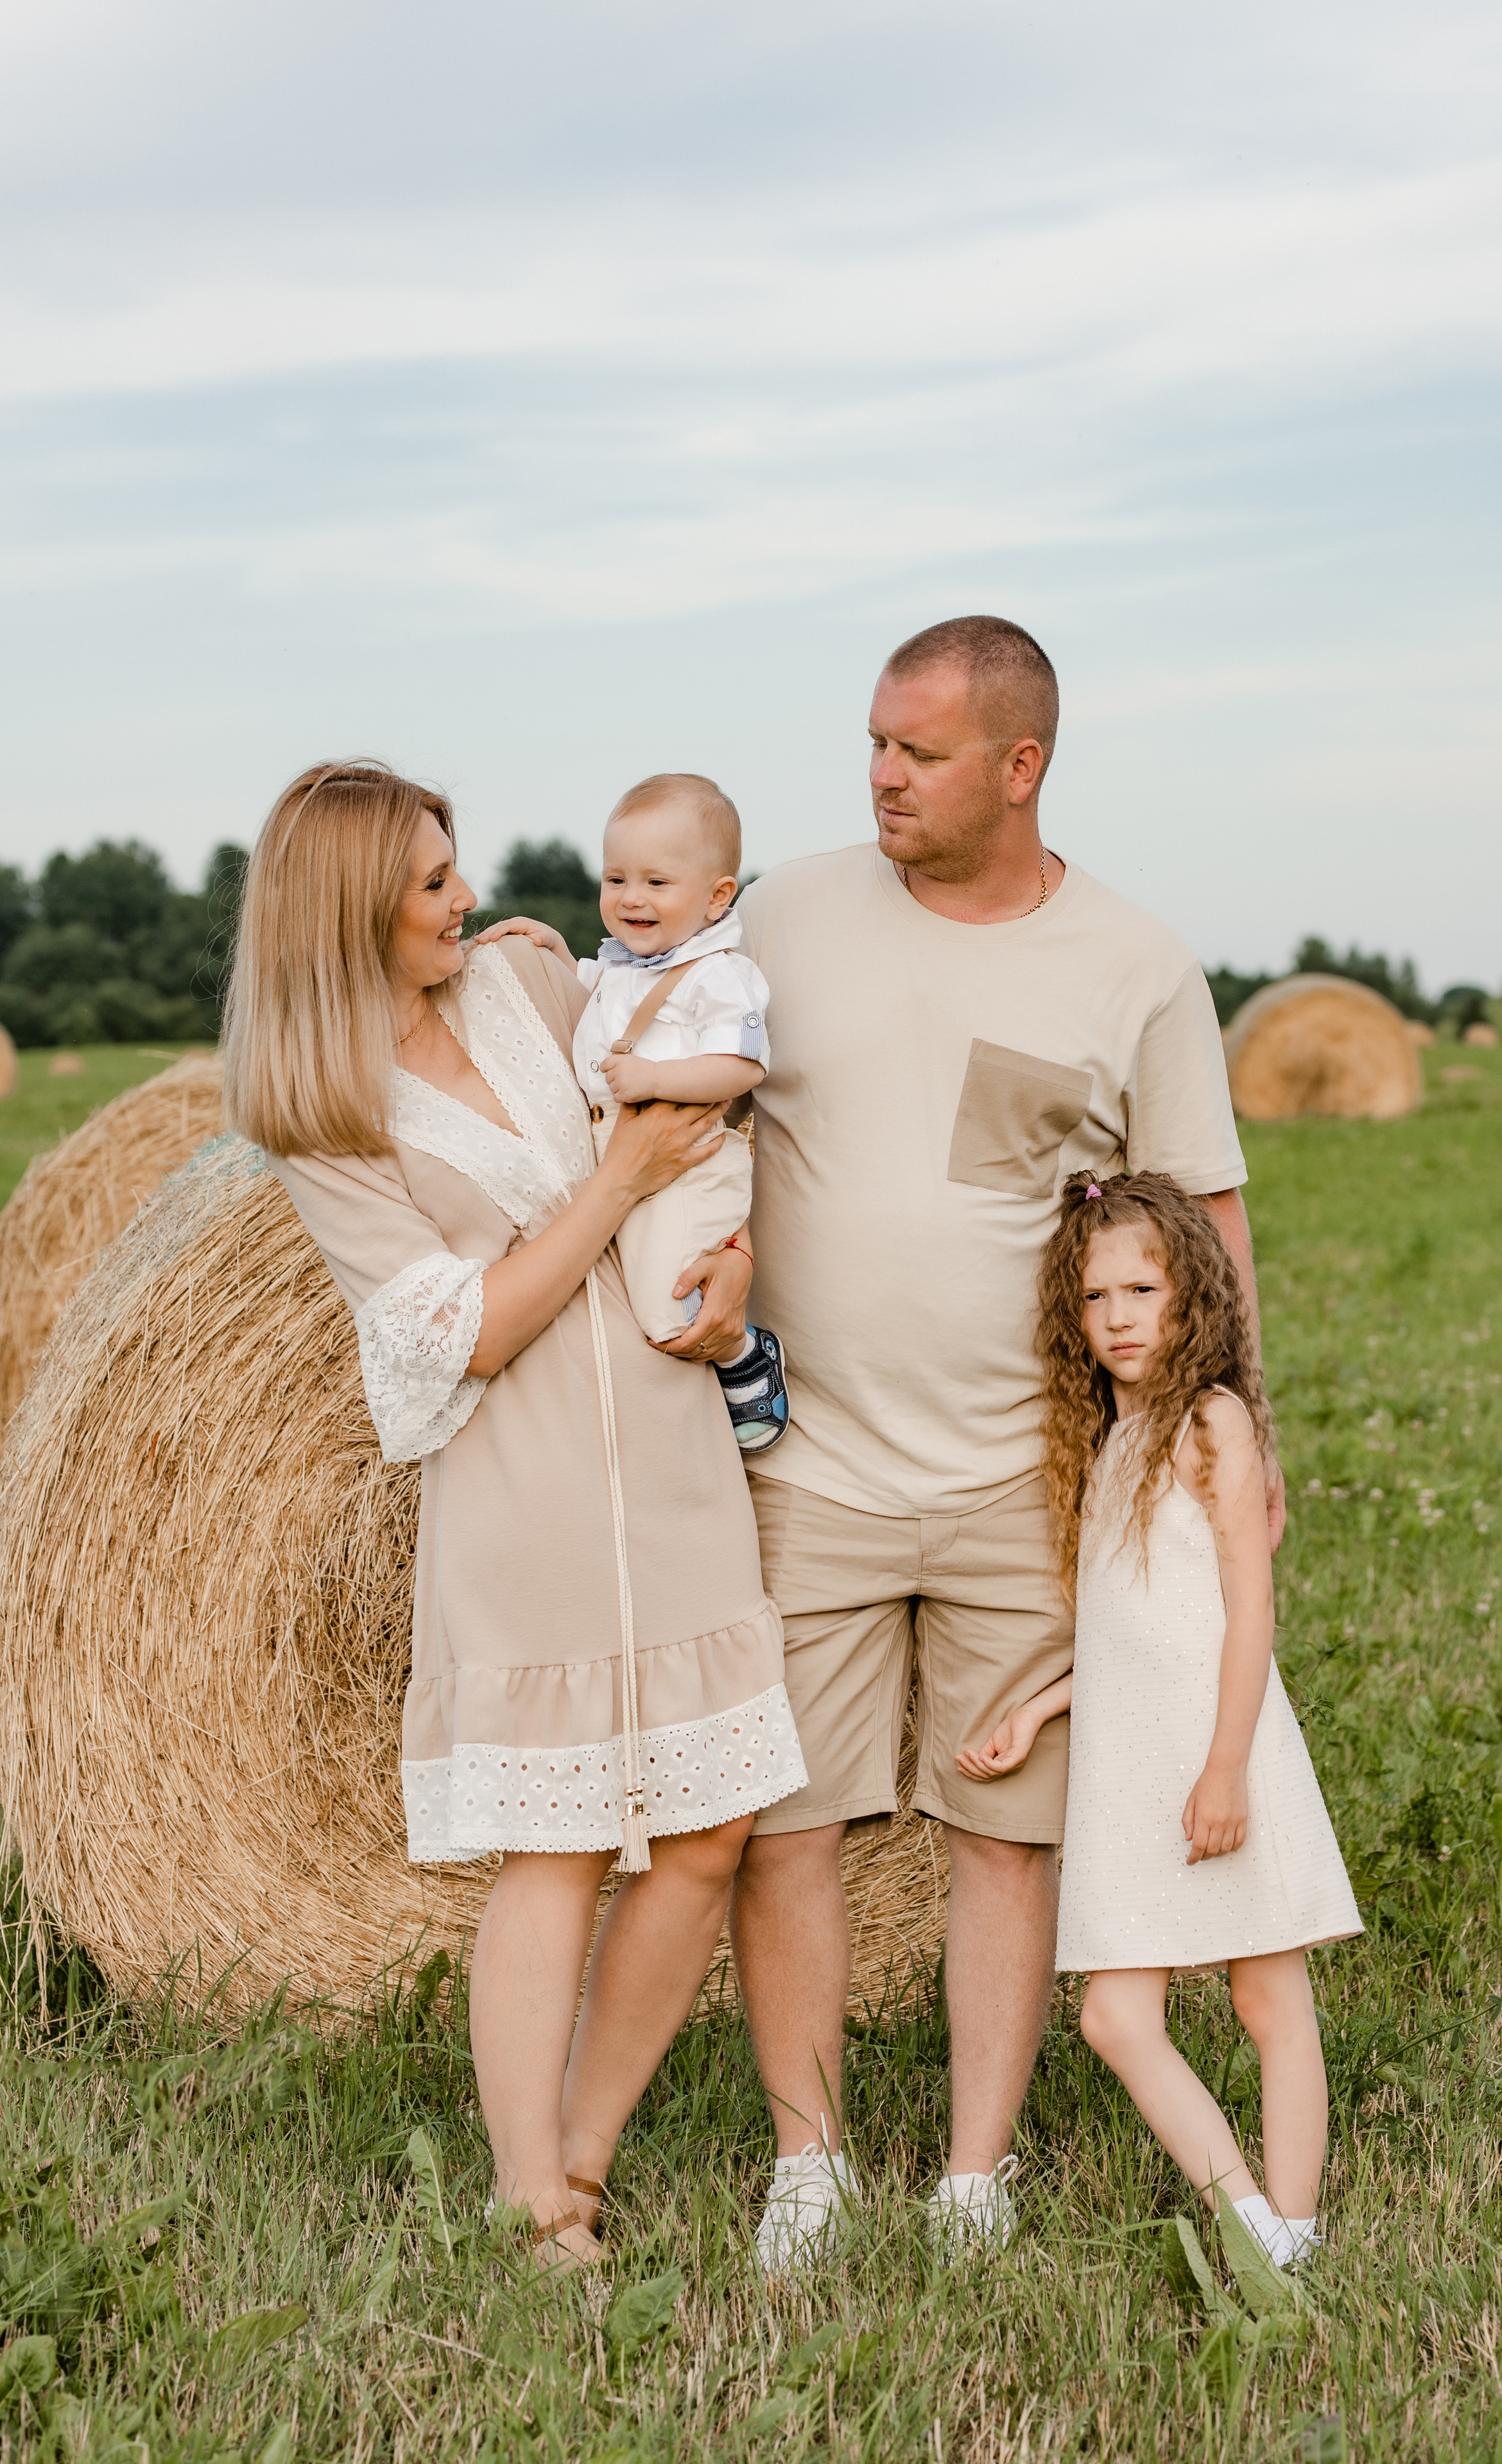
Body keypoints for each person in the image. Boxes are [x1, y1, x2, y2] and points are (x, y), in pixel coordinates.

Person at [727, 615, 1276, 2272]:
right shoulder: (790, 914)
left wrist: (1239, 1453)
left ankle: (976, 2176)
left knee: (1006, 1835)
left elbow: (1210, 1220)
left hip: (1028, 1484)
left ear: (1020, 766)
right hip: (802, 1465)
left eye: (920, 752)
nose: (880, 775)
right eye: (876, 743)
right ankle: (807, 2164)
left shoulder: (1134, 967)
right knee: (789, 1828)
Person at [220, 760, 806, 2270]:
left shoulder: (531, 984)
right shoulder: (321, 1111)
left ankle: (584, 2149)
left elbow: (689, 1085)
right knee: (551, 1851)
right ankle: (527, 2196)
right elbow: (464, 1326)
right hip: (519, 1500)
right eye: (428, 882)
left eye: (452, 867)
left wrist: (728, 1261)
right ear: (349, 905)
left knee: (709, 1830)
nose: (463, 894)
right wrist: (612, 1183)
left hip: (677, 1464)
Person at [960, 1172, 1360, 2266]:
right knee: (1114, 2018)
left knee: (1269, 1996)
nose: (1121, 1316)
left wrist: (1227, 1767)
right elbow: (1133, 1628)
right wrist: (1038, 1710)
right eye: (1096, 1298)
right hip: (1131, 1764)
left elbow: (1244, 1613)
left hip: (1215, 1744)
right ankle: (1253, 2222)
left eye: (1144, 1287)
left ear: (1195, 1296)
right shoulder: (1108, 1441)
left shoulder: (1210, 1422)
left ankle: (1292, 2228)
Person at [572, 771, 790, 1451]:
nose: (631, 898)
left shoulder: (716, 974)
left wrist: (654, 1076)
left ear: (717, 895)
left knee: (667, 1313)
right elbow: (571, 984)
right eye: (616, 880)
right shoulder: (624, 965)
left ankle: (745, 1356)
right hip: (631, 1166)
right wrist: (542, 945)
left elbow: (744, 1064)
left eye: (656, 883)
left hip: (690, 1166)